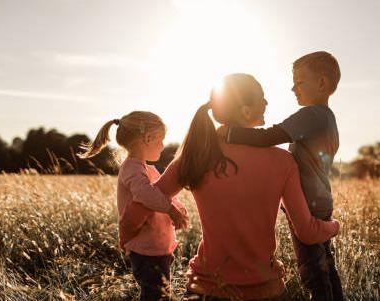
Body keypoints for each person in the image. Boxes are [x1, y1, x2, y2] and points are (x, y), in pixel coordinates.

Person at [120, 73, 340, 300]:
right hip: (267, 291)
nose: (266, 103)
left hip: (207, 289)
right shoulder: (283, 161)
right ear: (245, 110)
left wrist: (126, 237)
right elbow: (307, 231)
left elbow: (140, 206)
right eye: (262, 98)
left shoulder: (195, 156)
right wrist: (334, 226)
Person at [220, 51, 344, 300]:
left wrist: (228, 133)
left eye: (300, 82)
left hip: (308, 205)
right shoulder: (326, 118)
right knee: (325, 267)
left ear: (321, 83)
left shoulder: (313, 115)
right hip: (317, 202)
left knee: (314, 272)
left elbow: (269, 137)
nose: (293, 88)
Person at [79, 111, 189, 301]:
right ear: (147, 138)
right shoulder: (132, 168)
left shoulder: (146, 168)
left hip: (157, 248)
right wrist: (171, 209)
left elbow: (161, 192)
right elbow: (146, 194)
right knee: (154, 296)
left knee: (160, 294)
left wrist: (177, 206)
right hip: (146, 250)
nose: (163, 146)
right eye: (160, 140)